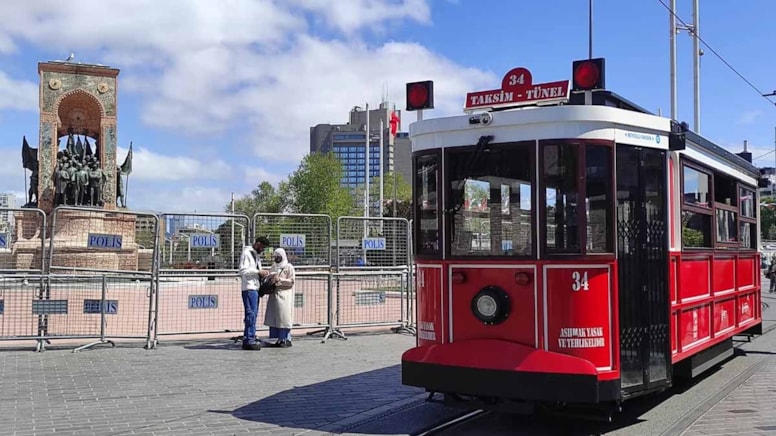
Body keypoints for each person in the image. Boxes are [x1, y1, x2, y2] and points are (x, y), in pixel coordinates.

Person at [238, 236, 271, 350]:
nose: (262, 249)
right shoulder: (247, 254)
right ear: (257, 244)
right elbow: (242, 270)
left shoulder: (256, 256)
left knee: (253, 314)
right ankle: (248, 339)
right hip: (249, 287)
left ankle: (250, 336)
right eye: (262, 247)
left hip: (255, 287)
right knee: (251, 313)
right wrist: (258, 272)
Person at [264, 247, 296, 348]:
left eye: (278, 256)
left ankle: (286, 339)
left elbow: (291, 281)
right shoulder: (273, 266)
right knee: (274, 318)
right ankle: (277, 339)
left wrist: (280, 280)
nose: (276, 258)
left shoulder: (288, 267)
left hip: (285, 295)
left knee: (284, 318)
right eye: (275, 256)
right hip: (274, 295)